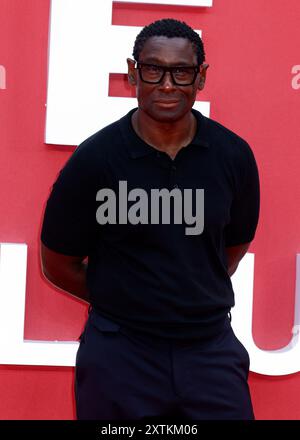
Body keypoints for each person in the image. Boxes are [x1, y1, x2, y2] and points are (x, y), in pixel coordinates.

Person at [40, 18, 260, 420]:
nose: (167, 84)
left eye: (182, 71)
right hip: (121, 354)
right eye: (153, 69)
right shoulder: (95, 160)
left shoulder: (233, 156)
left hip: (209, 351)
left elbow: (233, 245)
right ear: (132, 73)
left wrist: (186, 294)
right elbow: (57, 263)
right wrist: (127, 300)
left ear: (201, 78)